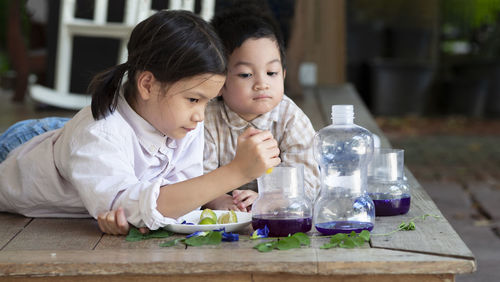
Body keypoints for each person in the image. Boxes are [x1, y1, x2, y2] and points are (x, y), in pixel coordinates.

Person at [0, 10, 280, 235]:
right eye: (194, 99)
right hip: (18, 151)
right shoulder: (98, 135)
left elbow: (176, 196)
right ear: (147, 84)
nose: (201, 115)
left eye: (209, 101)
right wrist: (237, 172)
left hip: (68, 140)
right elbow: (137, 207)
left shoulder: (184, 123)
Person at [97, 5, 319, 235]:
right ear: (220, 81)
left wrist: (270, 200)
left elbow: (308, 181)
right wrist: (218, 201)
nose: (262, 84)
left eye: (271, 73)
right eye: (245, 74)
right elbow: (193, 178)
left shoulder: (291, 119)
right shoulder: (204, 117)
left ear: (283, 74)